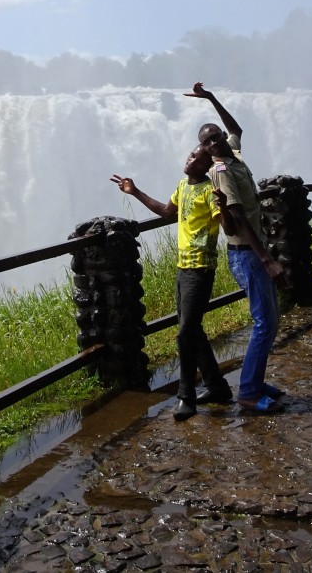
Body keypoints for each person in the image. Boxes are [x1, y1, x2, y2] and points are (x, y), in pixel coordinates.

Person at [186, 82, 290, 414]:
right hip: (247, 255)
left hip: (255, 253)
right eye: (206, 142)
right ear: (203, 149)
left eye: (215, 136)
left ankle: (256, 383)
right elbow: (236, 214)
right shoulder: (222, 171)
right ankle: (247, 391)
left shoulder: (233, 151)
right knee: (265, 322)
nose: (214, 142)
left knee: (270, 320)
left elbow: (236, 128)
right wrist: (267, 259)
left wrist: (211, 98)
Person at [111, 146, 233, 421]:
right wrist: (135, 191)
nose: (192, 161)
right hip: (182, 267)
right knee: (192, 330)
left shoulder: (208, 191)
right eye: (191, 155)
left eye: (200, 160)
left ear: (207, 167)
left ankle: (185, 397)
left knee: (185, 334)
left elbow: (228, 227)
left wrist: (224, 207)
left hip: (200, 268)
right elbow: (167, 212)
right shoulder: (182, 186)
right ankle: (217, 387)